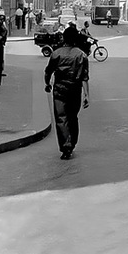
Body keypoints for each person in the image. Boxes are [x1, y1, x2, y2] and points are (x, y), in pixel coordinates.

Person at [44, 25, 90, 160]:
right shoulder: (81, 55)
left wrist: (47, 83)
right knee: (72, 117)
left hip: (59, 90)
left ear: (64, 38)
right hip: (75, 90)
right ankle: (72, 142)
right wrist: (87, 95)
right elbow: (85, 77)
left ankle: (66, 146)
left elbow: (48, 71)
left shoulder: (56, 53)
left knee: (61, 118)